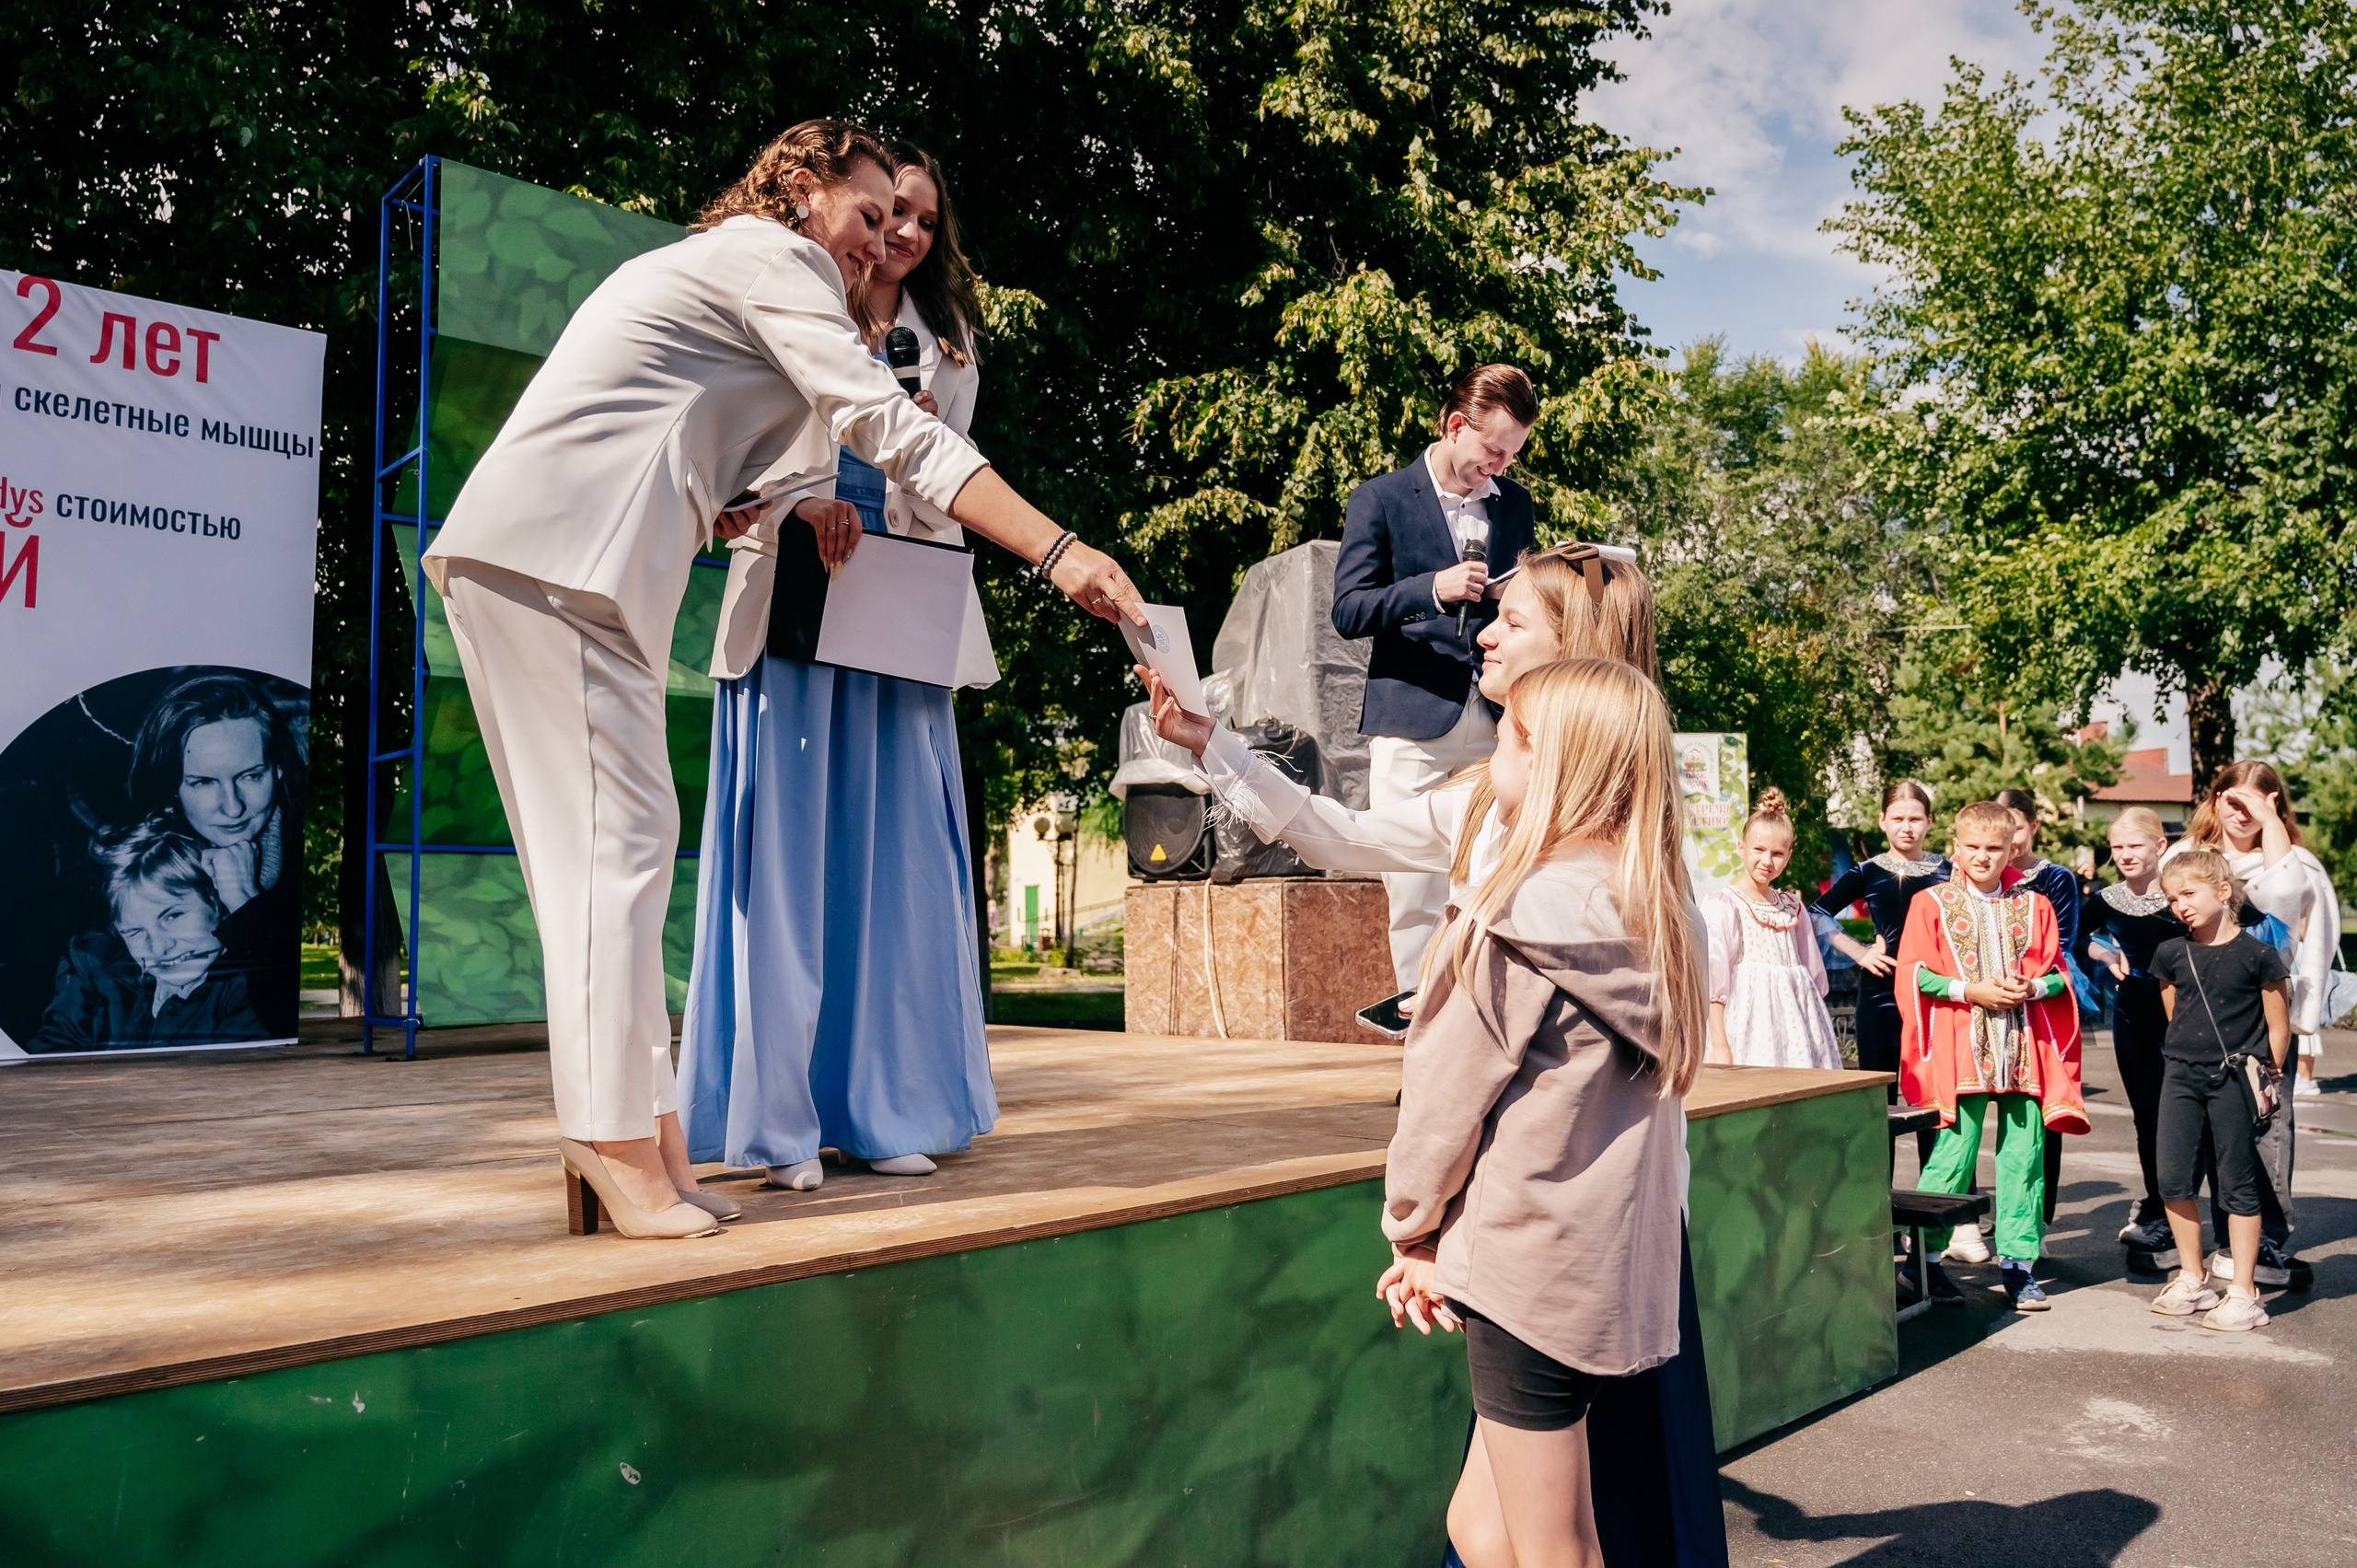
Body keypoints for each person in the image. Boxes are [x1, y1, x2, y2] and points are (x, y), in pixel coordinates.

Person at [421, 120, 1142, 1240]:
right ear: (803, 191)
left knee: (619, 851)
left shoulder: (739, 273)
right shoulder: (775, 257)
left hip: (565, 570)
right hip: (555, 564)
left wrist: (741, 501)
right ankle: (614, 1144)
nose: (874, 242)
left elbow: (686, 436)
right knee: (615, 853)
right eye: (865, 214)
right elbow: (887, 427)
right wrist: (1058, 550)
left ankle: (643, 1141)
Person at [677, 141, 1001, 1193]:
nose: (900, 231)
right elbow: (719, 456)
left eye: (919, 217)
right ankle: (775, 1122)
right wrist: (790, 501)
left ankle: (882, 1104)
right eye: (885, 210)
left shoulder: (945, 343)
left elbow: (945, 470)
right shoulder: (783, 299)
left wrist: (893, 506)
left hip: (897, 612)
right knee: (783, 871)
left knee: (892, 867)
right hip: (787, 601)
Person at [1375, 658, 1704, 1568]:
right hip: (1602, 1273)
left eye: (1505, 732)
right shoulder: (1657, 913)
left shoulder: (1505, 919)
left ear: (1545, 761)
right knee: (1480, 1528)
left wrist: (1412, 1232)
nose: (1490, 748)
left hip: (1526, 1267)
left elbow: (1440, 1108)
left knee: (1553, 1546)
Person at [1331, 365, 1540, 990]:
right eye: (1494, 451)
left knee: (1497, 886)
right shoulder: (1382, 498)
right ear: (1455, 426)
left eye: (1512, 455)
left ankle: (1487, 1042)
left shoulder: (1517, 506)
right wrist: (1431, 589)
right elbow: (1349, 610)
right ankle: (1422, 1059)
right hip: (1413, 723)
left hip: (1500, 730)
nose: (1500, 466)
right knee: (1416, 898)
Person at [1897, 800, 2088, 1311]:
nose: (1983, 857)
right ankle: (1924, 1264)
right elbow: (1914, 974)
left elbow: (2059, 977)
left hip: (2025, 1048)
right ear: (1956, 847)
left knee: (2025, 1159)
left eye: (1994, 848)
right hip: (1961, 1050)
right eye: (1973, 847)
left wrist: (2033, 985)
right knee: (1952, 1157)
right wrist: (1970, 991)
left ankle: (2019, 1266)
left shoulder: (2035, 907)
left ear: (2013, 850)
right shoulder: (1930, 903)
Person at [2164, 761, 2338, 1284]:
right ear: (2214, 801)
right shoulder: (2187, 858)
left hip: (2259, 1016)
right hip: (2200, 1024)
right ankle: (2212, 1244)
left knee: (2266, 1137)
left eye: (2256, 803)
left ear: (2275, 806)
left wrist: (2268, 819)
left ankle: (2264, 1244)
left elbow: (2293, 911)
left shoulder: (2292, 863)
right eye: (2231, 801)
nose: (2241, 813)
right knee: (2197, 1146)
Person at [2146, 850, 2292, 1332]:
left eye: (2189, 894)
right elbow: (2175, 1013)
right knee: (2171, 1178)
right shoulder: (2170, 953)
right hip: (2181, 1076)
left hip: (2235, 1079)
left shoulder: (2259, 955)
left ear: (2223, 891)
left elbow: (2278, 1027)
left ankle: (2244, 1293)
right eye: (2172, 898)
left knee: (2236, 1185)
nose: (2180, 905)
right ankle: (2192, 1277)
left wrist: (2264, 1081)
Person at [125, 671, 306, 1040]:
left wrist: (243, 902)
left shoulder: (304, 851)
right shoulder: (146, 863)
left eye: (251, 777)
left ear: (278, 770)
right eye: (204, 782)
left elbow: (279, 1019)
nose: (233, 807)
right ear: (173, 786)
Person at [29, 819, 267, 1052]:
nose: (159, 948)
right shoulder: (95, 966)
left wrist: (244, 902)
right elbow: (52, 1048)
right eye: (134, 932)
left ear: (217, 901)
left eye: (172, 916)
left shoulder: (246, 986)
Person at [2077, 807, 2187, 1262]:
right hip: (2133, 1017)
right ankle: (2159, 1208)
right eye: (2116, 847)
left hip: (2188, 1016)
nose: (2123, 855)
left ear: (2159, 847)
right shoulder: (2106, 899)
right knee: (2148, 1117)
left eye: (2134, 846)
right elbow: (2071, 937)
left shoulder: (2183, 890)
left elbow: (2249, 926)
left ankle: (2208, 1214)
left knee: (2196, 1118)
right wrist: (2105, 954)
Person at [1702, 787, 1843, 1070]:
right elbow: (1712, 981)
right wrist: (1719, 1044)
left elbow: (1812, 976)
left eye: (1777, 853)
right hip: (1747, 1031)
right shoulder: (1724, 906)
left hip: (1798, 1034)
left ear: (1789, 856)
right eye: (1759, 850)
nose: (1767, 861)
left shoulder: (1793, 907)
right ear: (1741, 848)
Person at [1992, 787, 2080, 1230]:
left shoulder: (2054, 878)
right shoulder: (1977, 874)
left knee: (2038, 1118)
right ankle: (1974, 1217)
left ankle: (2036, 1219)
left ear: (2033, 827)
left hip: (2038, 1004)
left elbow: (2062, 944)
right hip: (1986, 1004)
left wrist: (2028, 982)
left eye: (2018, 829)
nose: (2009, 841)